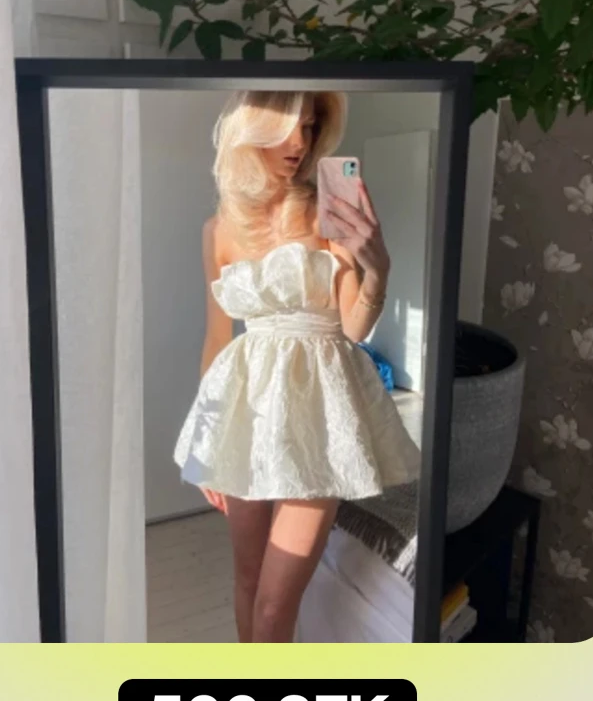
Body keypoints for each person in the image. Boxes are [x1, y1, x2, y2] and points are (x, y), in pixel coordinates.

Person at [173, 90, 420, 642]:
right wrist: (207, 448)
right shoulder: (218, 230)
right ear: (252, 129)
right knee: (246, 581)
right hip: (247, 416)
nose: (300, 142)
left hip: (319, 420)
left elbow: (351, 329)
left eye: (309, 127)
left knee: (273, 605)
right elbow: (217, 339)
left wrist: (378, 269)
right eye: (288, 126)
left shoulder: (329, 212)